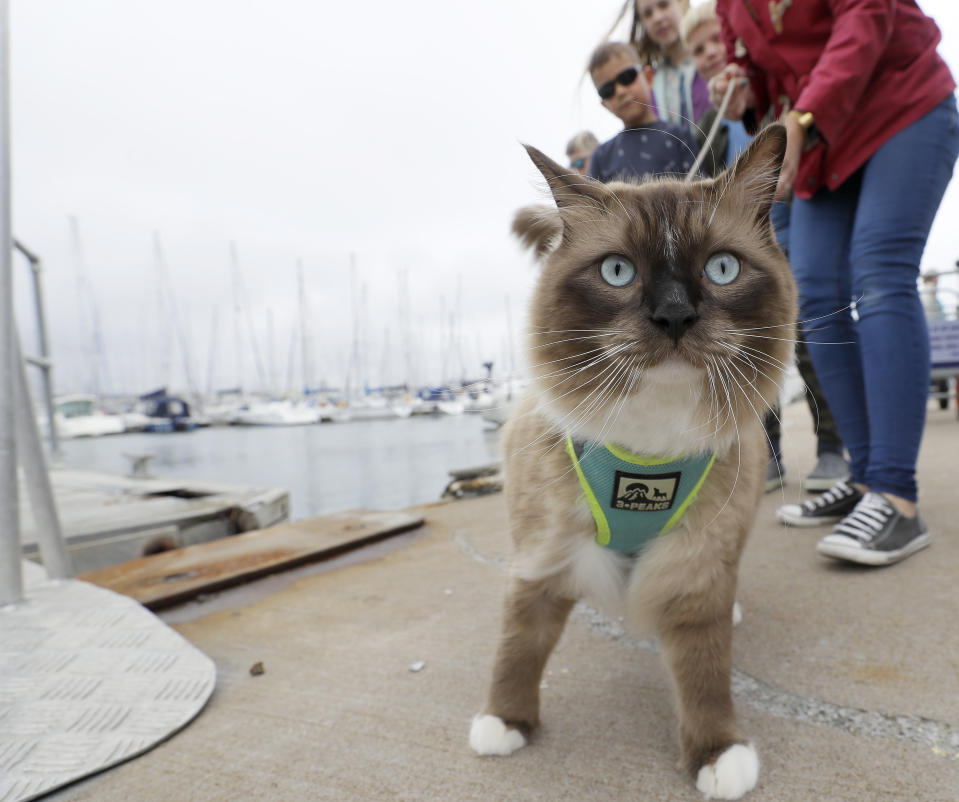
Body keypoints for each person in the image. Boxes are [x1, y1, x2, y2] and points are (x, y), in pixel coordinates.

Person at [710, 0, 959, 566]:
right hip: (826, 145)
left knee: (879, 270)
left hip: (901, 106)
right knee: (814, 293)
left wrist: (802, 117)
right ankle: (866, 476)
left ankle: (896, 495)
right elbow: (759, 74)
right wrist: (744, 92)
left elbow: (866, 15)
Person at [681, 0, 850, 495]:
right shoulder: (709, 125)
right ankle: (767, 449)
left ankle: (834, 445)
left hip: (795, 210)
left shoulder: (774, 90)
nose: (710, 53)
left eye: (716, 40)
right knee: (744, 340)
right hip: (732, 247)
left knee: (805, 321)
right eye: (698, 50)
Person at [587, 41, 698, 184]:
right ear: (605, 105)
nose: (620, 91)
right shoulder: (601, 158)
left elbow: (701, 195)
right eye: (608, 90)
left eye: (627, 77)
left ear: (648, 77)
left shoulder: (679, 137)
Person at [609, 0, 710, 136]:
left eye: (664, 5)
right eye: (648, 14)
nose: (657, 18)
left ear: (682, 3)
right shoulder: (648, 87)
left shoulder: (715, 58)